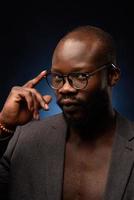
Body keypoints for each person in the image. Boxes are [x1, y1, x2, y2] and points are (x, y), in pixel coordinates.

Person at [0, 25, 133, 200]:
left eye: (80, 77)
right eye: (58, 78)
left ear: (112, 75)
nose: (65, 88)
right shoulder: (23, 140)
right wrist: (4, 124)